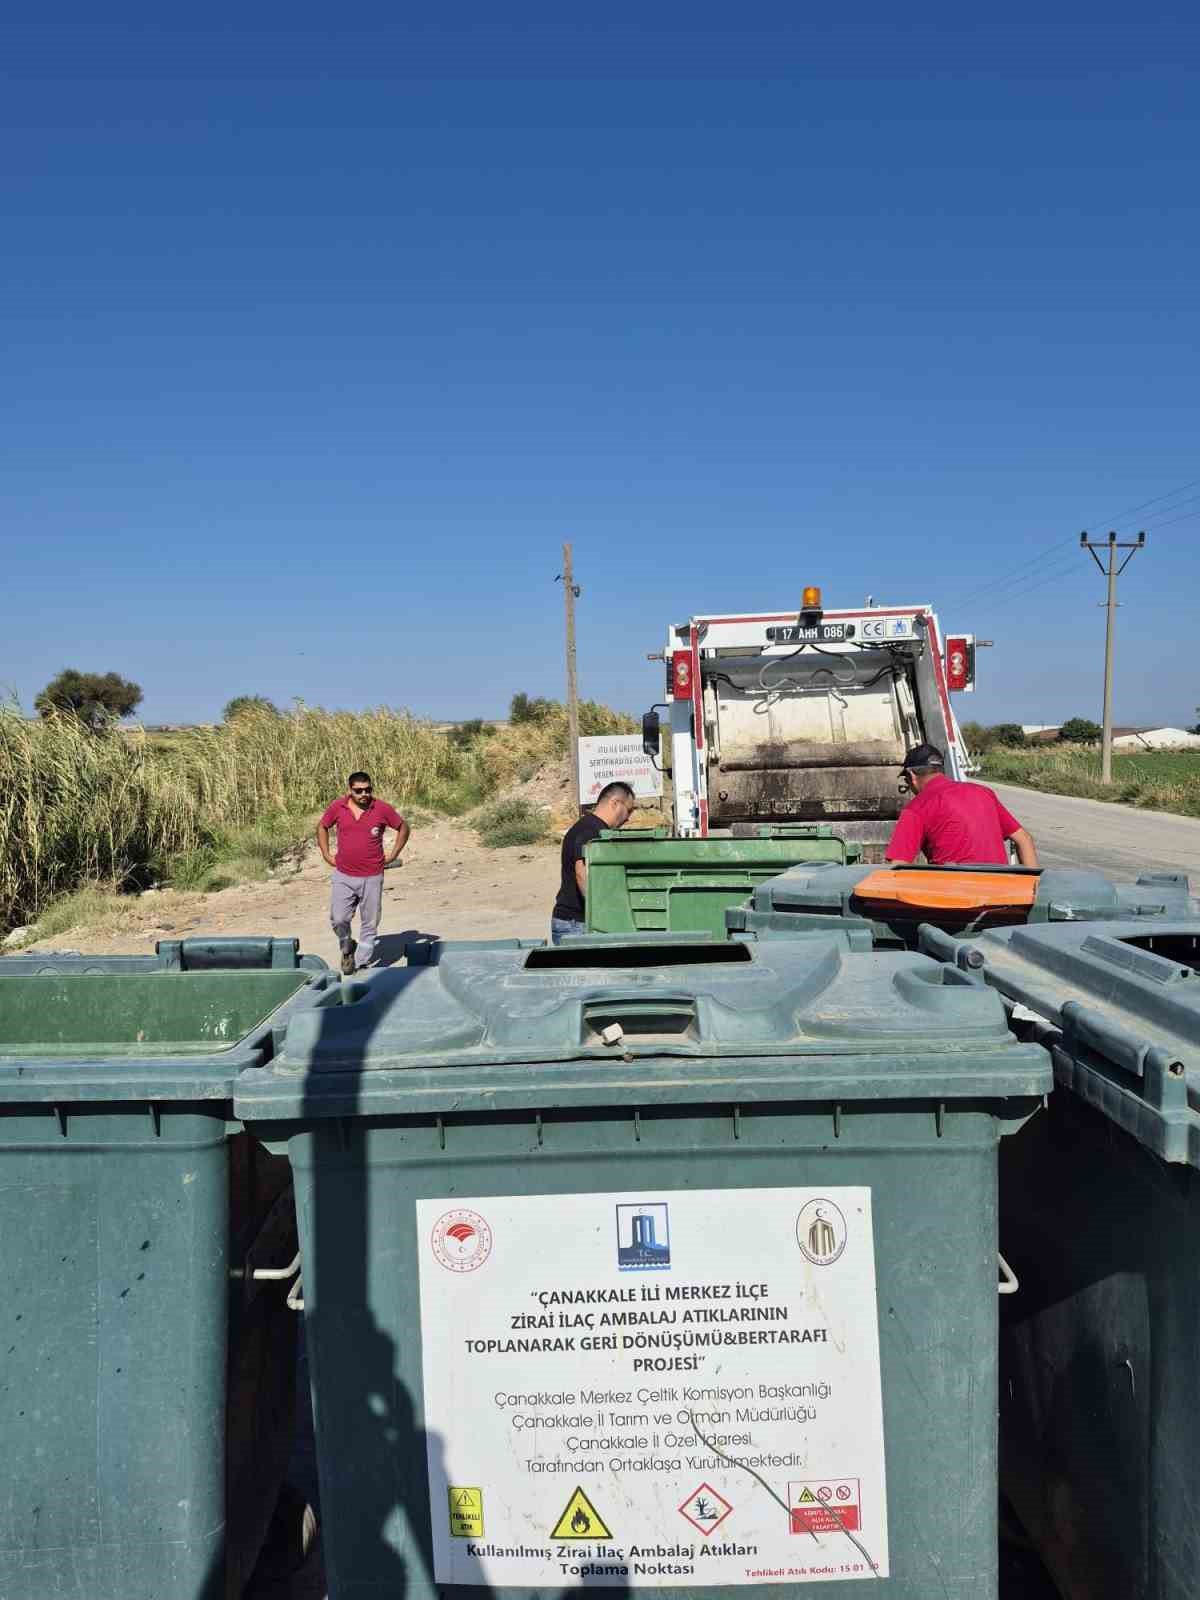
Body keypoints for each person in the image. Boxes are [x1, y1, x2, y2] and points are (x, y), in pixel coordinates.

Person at [885, 743, 1039, 867]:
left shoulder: (917, 807)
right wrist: (1033, 889)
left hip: (954, 898)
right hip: (1000, 894)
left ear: (912, 776)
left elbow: (898, 865)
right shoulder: (984, 793)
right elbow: (1024, 839)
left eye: (906, 781)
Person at [317, 771, 411, 973]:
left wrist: (394, 854)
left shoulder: (382, 809)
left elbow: (403, 827)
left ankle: (359, 963)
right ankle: (346, 944)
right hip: (344, 875)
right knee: (339, 918)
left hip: (372, 876)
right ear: (349, 790)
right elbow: (322, 826)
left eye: (368, 790)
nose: (364, 794)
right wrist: (326, 853)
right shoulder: (337, 807)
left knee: (370, 921)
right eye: (358, 790)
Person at [551, 781, 636, 943]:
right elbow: (581, 872)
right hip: (577, 925)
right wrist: (600, 913)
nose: (628, 818)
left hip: (573, 923)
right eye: (629, 810)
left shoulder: (589, 827)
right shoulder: (590, 831)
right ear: (615, 803)